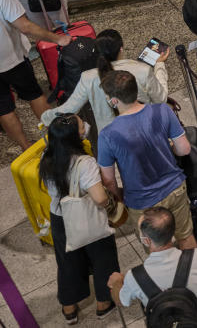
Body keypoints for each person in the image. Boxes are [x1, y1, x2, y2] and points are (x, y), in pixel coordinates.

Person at [96, 70, 195, 249]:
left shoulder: (107, 135)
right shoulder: (163, 110)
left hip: (142, 202)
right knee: (186, 236)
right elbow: (184, 149)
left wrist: (120, 199)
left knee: (157, 250)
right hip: (175, 188)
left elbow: (109, 180)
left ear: (114, 100)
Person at [40, 114, 121, 322]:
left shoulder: (46, 157)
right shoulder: (85, 163)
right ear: (74, 137)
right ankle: (104, 303)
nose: (85, 126)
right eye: (80, 125)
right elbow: (100, 198)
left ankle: (69, 308)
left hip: (59, 217)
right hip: (87, 216)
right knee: (103, 258)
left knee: (67, 262)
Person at [109, 207, 197, 320]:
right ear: (172, 232)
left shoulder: (134, 277)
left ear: (147, 240)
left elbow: (120, 300)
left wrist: (117, 282)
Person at [42, 31, 170, 131]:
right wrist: (159, 66)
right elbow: (161, 99)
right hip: (145, 130)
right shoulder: (142, 70)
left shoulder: (87, 77)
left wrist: (45, 118)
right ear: (121, 48)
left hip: (112, 139)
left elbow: (69, 108)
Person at [0, 0, 63, 149]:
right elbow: (25, 26)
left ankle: (26, 147)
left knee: (4, 109)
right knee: (34, 94)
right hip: (11, 59)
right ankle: (56, 136)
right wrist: (56, 38)